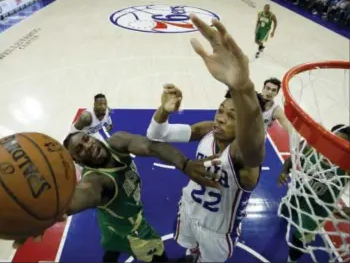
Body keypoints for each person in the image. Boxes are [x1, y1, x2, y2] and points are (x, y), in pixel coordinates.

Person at [146, 14, 266, 262]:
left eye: (232, 116)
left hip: (218, 231)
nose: (221, 118)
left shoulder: (243, 158)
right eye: (221, 110)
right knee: (190, 251)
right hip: (189, 210)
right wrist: (163, 111)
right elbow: (156, 136)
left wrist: (242, 88)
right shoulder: (208, 129)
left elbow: (253, 144)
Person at [62, 131, 220, 262]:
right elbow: (80, 196)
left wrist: (185, 164)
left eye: (86, 139)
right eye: (80, 149)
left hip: (108, 222)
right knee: (157, 253)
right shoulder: (97, 180)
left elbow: (152, 147)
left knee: (112, 246)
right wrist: (49, 211)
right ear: (78, 161)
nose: (88, 146)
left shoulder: (116, 143)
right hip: (133, 230)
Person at [278, 124, 350, 263]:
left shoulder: (346, 167)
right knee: (285, 212)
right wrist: (284, 171)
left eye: (340, 145)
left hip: (316, 210)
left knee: (299, 238)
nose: (333, 146)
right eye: (332, 140)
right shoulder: (312, 145)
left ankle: (292, 260)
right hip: (297, 195)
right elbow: (292, 158)